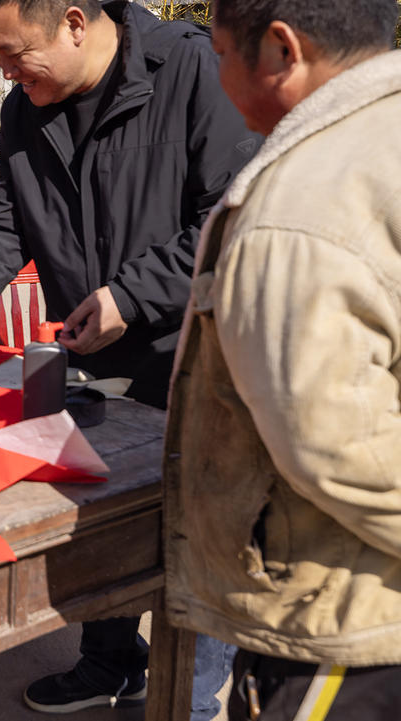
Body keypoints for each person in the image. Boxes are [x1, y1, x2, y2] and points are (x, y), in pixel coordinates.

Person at [0, 0, 261, 716]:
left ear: (75, 22)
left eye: (15, 54)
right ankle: (111, 661)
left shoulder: (192, 73)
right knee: (94, 522)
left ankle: (187, 704)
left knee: (202, 551)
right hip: (98, 363)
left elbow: (234, 215)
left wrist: (131, 296)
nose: (6, 72)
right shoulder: (26, 111)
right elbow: (0, 225)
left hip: (198, 363)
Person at [167, 1, 401, 718]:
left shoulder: (298, 210)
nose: (215, 74)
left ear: (280, 50)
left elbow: (332, 442)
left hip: (343, 621)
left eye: (219, 54)